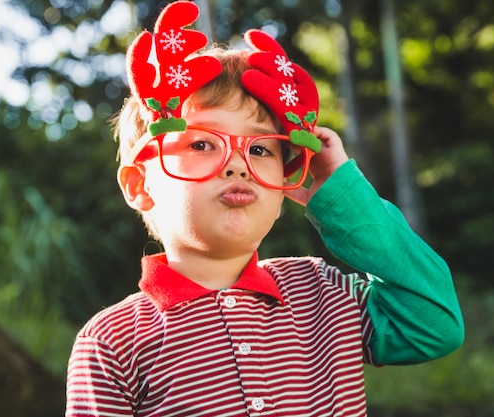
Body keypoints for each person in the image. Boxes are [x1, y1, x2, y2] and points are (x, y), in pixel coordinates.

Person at [65, 2, 464, 416]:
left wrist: (343, 196)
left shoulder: (322, 293)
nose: (239, 163)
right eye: (202, 143)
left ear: (283, 190)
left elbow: (434, 325)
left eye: (259, 149)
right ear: (139, 186)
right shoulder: (111, 341)